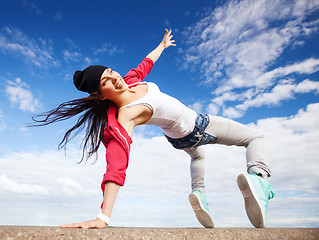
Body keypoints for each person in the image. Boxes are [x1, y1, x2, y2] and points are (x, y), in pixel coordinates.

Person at [33, 29, 274, 229]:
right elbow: (116, 164)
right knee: (255, 138)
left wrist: (162, 45)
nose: (114, 78)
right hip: (197, 126)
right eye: (105, 81)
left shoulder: (130, 81)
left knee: (199, 155)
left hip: (178, 139)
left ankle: (199, 193)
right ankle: (260, 181)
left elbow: (145, 64)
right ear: (100, 95)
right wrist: (103, 218)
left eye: (110, 72)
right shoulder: (125, 116)